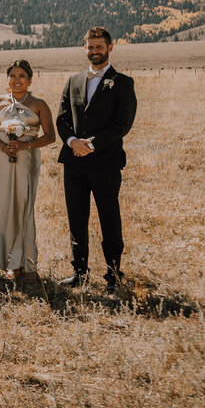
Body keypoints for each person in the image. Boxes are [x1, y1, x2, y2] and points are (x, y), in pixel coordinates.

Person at [55, 27, 137, 290]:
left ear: (110, 48)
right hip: (74, 162)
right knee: (76, 217)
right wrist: (72, 142)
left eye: (99, 47)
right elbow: (62, 118)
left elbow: (122, 124)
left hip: (105, 162)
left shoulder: (122, 82)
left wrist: (91, 144)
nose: (94, 51)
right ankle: (79, 272)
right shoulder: (73, 80)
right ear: (85, 48)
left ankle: (113, 275)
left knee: (109, 217)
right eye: (90, 47)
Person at [0, 59, 56, 281]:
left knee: (23, 206)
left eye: (22, 76)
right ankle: (2, 260)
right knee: (1, 206)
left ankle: (25, 264)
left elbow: (50, 136)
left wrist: (26, 145)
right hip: (1, 160)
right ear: (8, 78)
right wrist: (3, 146)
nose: (17, 80)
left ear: (30, 79)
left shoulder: (39, 104)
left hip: (26, 160)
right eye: (13, 75)